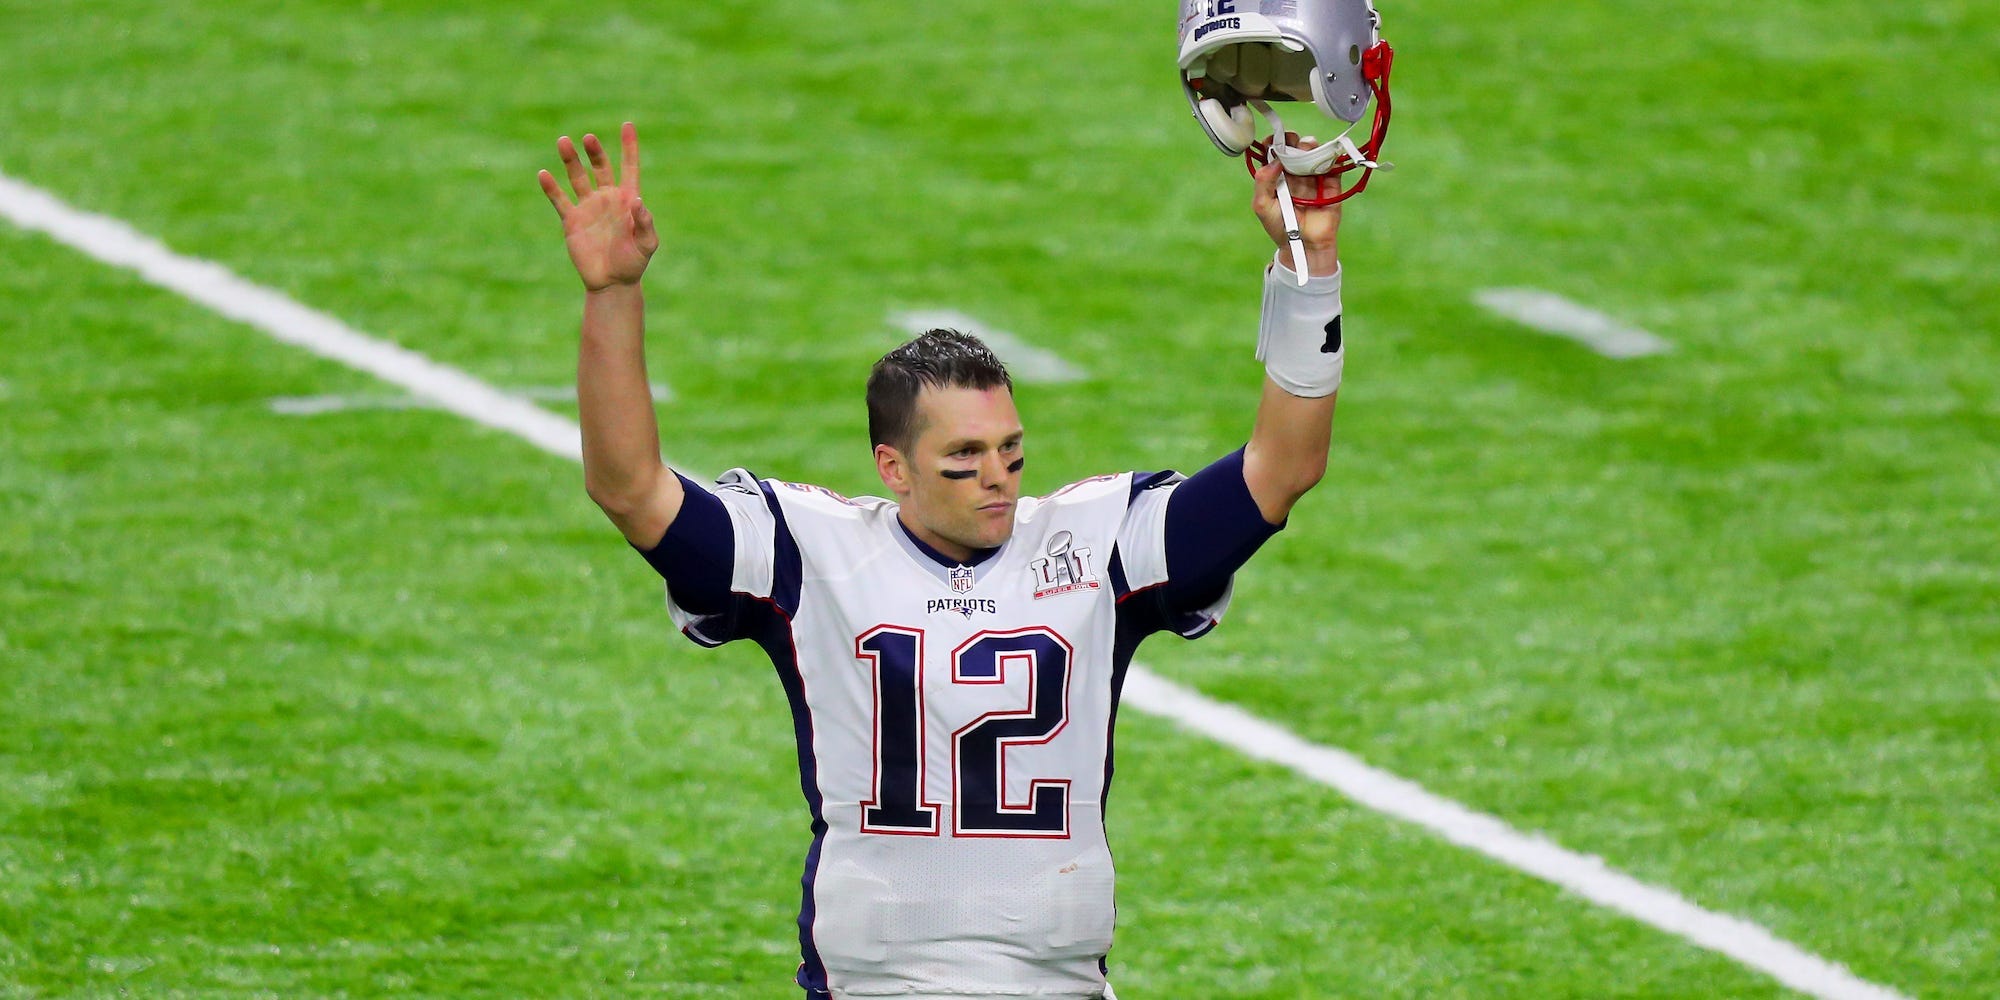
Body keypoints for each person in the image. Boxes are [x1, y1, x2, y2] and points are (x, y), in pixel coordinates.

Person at [538, 122, 1347, 1000]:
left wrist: (1308, 268)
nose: (995, 479)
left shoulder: (1095, 544)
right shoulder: (811, 555)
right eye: (962, 459)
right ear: (893, 468)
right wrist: (613, 294)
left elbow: (1283, 468)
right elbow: (630, 489)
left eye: (1010, 451)